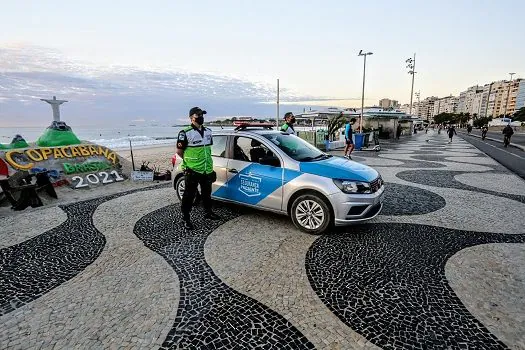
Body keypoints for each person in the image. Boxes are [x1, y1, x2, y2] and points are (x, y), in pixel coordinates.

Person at [176, 106, 220, 230]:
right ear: (191, 118)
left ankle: (208, 212)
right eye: (198, 115)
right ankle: (185, 218)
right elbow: (179, 151)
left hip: (207, 169)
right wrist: (189, 163)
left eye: (202, 115)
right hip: (192, 170)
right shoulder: (185, 133)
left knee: (207, 194)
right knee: (189, 196)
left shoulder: (208, 131)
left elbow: (207, 150)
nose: (201, 117)